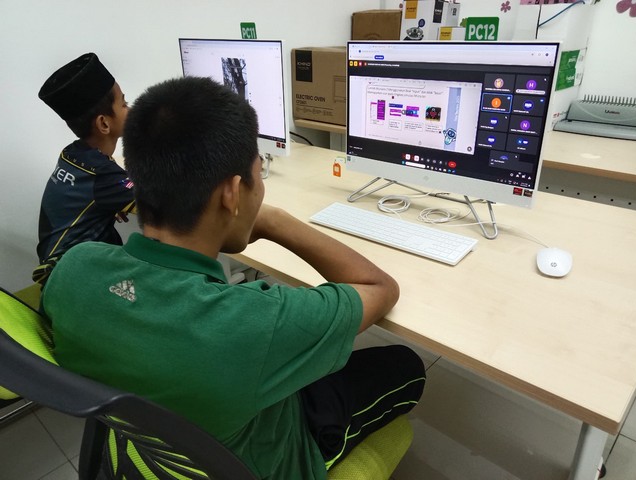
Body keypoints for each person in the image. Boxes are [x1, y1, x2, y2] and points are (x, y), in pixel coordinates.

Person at [42, 77, 426, 479]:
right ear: (232, 193)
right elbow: (380, 288)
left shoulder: (73, 269)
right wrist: (274, 221)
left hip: (146, 457)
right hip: (275, 457)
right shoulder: (255, 322)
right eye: (258, 176)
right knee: (405, 366)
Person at [33, 52, 135, 285]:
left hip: (58, 272)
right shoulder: (103, 175)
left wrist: (110, 200)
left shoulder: (71, 154)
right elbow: (164, 200)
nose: (130, 110)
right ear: (104, 123)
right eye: (124, 104)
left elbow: (90, 193)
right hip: (76, 281)